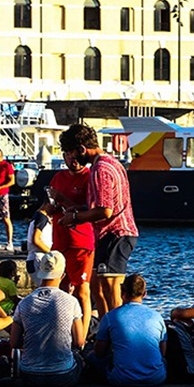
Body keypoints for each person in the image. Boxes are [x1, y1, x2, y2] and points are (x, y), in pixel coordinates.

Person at [58, 123, 138, 319]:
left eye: (73, 154)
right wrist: (79, 209)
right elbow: (106, 204)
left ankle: (118, 334)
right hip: (116, 234)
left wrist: (74, 218)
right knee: (97, 287)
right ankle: (107, 329)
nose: (73, 160)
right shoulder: (113, 162)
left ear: (82, 149)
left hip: (115, 234)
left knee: (111, 291)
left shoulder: (100, 169)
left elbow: (105, 211)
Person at [10, 250, 84, 387]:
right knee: (80, 359)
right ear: (62, 275)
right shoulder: (71, 301)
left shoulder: (24, 302)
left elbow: (14, 343)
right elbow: (79, 342)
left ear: (40, 272)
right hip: (63, 374)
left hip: (29, 374)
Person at [48, 150, 96, 338]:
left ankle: (82, 338)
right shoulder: (58, 177)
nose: (73, 160)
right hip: (59, 241)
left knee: (83, 290)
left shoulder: (90, 177)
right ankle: (63, 335)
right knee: (60, 291)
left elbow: (90, 209)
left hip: (81, 242)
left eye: (76, 156)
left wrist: (62, 199)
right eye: (69, 155)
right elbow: (51, 205)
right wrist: (50, 207)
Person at [91, 273, 166, 387]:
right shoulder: (157, 317)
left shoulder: (111, 316)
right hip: (156, 378)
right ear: (144, 294)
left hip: (122, 379)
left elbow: (99, 352)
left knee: (91, 357)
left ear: (122, 292)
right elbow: (162, 352)